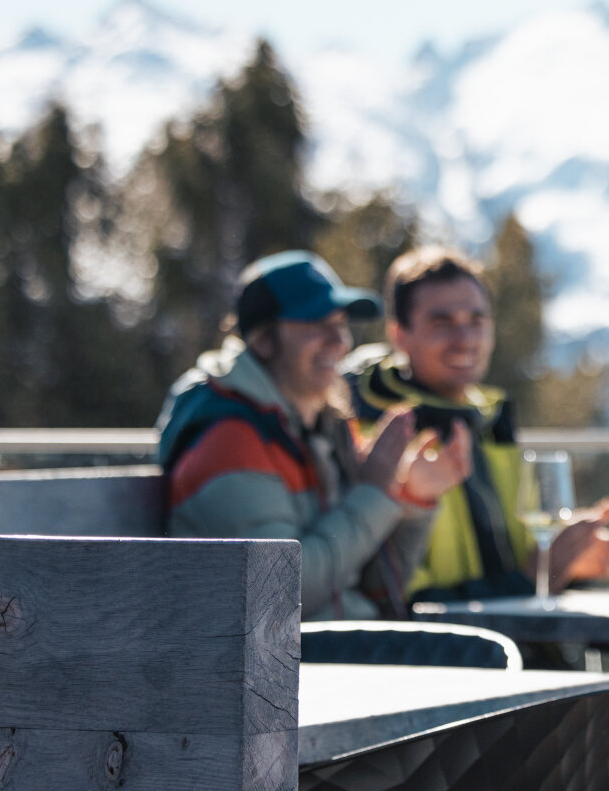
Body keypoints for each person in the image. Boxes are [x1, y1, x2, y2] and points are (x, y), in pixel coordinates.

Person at [157, 250, 472, 619]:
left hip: (341, 644)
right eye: (315, 325)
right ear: (263, 340)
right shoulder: (230, 440)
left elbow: (379, 586)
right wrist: (373, 495)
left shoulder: (323, 428)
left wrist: (412, 500)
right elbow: (281, 592)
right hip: (288, 664)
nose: (338, 341)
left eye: (340, 324)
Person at [345, 245, 609, 601]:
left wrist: (574, 565)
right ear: (399, 334)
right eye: (442, 323)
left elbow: (525, 566)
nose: (465, 340)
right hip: (444, 652)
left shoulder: (492, 421)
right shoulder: (377, 434)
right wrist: (535, 577)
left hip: (515, 641)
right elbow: (395, 601)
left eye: (476, 321)